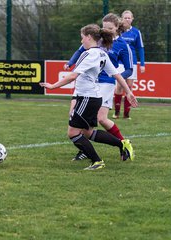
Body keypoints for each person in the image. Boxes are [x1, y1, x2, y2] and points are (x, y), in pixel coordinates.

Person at [40, 24, 138, 170]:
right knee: (87, 132)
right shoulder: (102, 53)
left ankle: (97, 161)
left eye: (82, 38)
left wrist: (53, 86)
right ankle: (121, 143)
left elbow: (73, 75)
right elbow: (116, 74)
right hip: (92, 97)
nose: (81, 42)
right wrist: (128, 92)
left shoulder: (90, 54)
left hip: (87, 97)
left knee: (73, 132)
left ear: (89, 37)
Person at [65, 13, 134, 161]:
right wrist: (70, 63)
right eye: (104, 27)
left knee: (100, 119)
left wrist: (115, 75)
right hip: (87, 83)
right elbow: (79, 51)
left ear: (117, 28)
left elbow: (129, 69)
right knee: (75, 117)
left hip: (105, 84)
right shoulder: (96, 40)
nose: (107, 30)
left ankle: (122, 143)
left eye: (110, 28)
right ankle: (85, 149)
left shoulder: (123, 45)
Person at [113, 10, 145, 120]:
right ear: (122, 19)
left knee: (129, 87)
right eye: (125, 18)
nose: (127, 19)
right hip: (120, 62)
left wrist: (142, 64)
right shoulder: (117, 31)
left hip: (132, 62)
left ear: (132, 19)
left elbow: (140, 48)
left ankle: (126, 114)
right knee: (119, 86)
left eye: (129, 18)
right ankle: (117, 112)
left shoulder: (136, 32)